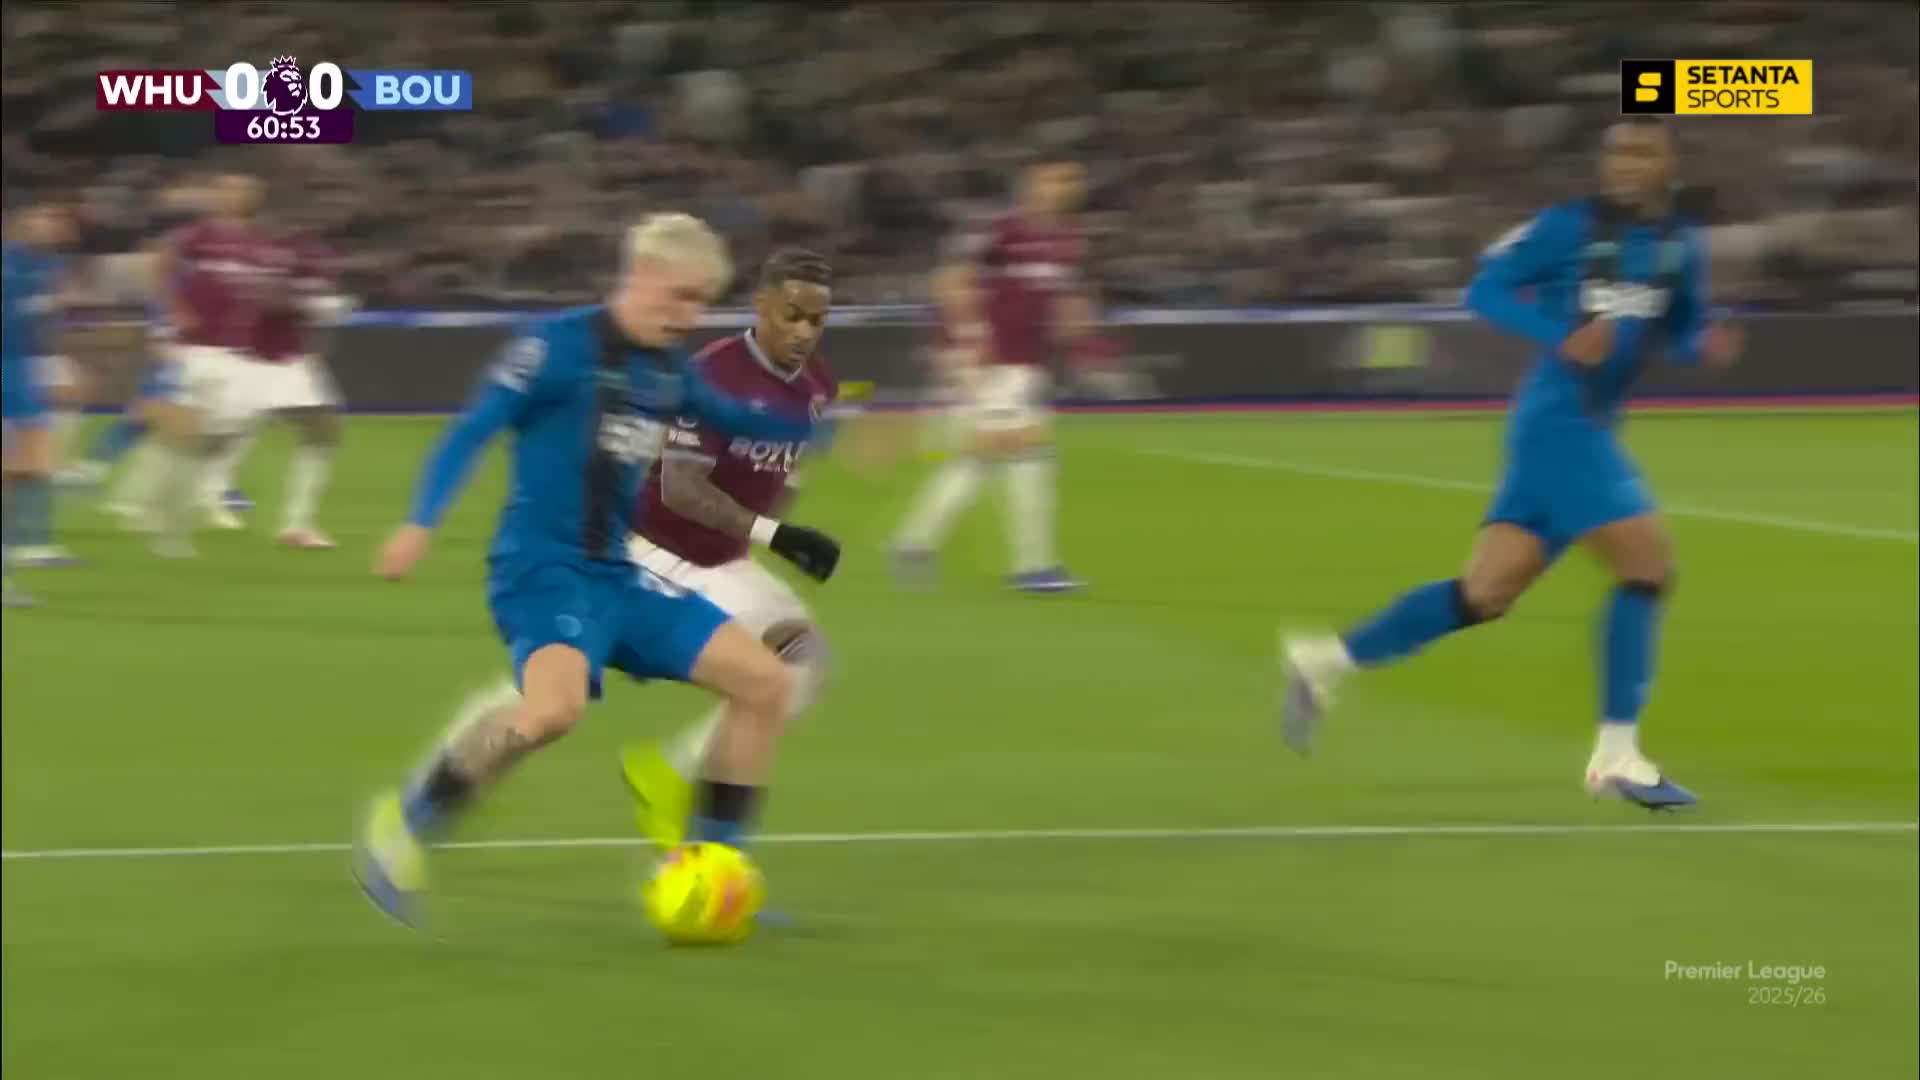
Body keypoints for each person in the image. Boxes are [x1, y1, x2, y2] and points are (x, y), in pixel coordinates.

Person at [355, 216, 842, 929]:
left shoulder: (667, 368)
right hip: (543, 570)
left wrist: (820, 426)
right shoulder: (555, 348)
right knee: (552, 713)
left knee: (766, 683)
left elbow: (731, 415)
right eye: (680, 297)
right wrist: (419, 522)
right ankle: (407, 819)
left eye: (702, 302)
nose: (690, 316)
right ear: (641, 276)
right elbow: (474, 428)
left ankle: (716, 870)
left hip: (619, 574)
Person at [1280, 117, 1743, 811]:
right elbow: (1486, 289)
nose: (1625, 162)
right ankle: (1617, 755)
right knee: (1648, 566)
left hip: (1581, 429)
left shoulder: (1680, 244)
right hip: (1559, 425)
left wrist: (1703, 345)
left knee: (1484, 594)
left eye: (1642, 151)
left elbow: (1678, 328)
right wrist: (1562, 335)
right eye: (1616, 150)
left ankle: (1324, 660)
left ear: (1669, 164)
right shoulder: (1568, 226)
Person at [451, 249, 843, 852]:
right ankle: (665, 779)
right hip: (655, 552)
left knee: (798, 664)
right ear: (761, 304)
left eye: (817, 320)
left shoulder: (818, 387)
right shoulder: (714, 372)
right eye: (792, 314)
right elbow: (680, 488)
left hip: (723, 561)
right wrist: (778, 536)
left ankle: (675, 786)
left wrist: (778, 519)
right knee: (562, 696)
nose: (803, 331)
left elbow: (782, 471)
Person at [892, 158, 1090, 593]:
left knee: (982, 458)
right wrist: (965, 340)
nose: (1065, 187)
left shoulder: (1067, 238)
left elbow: (1058, 296)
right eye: (1055, 179)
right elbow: (949, 280)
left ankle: (915, 541)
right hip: (994, 361)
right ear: (1031, 184)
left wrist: (1069, 326)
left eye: (1071, 180)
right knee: (1029, 455)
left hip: (1027, 364)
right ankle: (1032, 566)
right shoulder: (1001, 230)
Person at [2, 202, 83, 602]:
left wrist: (58, 363)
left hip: (20, 370)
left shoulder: (47, 268)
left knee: (27, 469)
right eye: (38, 220)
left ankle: (25, 551)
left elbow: (45, 324)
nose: (46, 227)